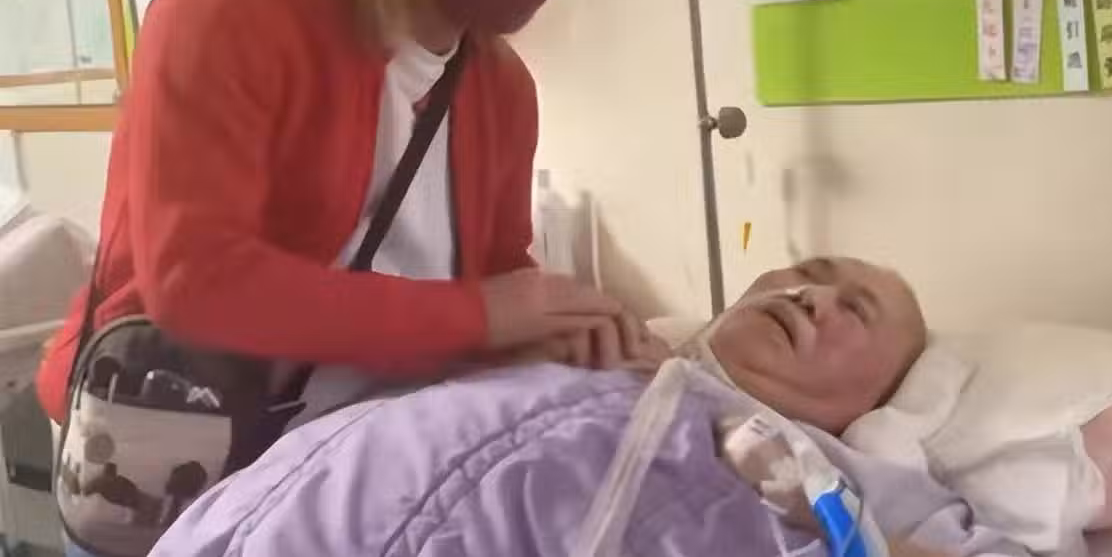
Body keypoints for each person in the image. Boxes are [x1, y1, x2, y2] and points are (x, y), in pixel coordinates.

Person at [40, 0, 670, 555]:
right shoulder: (229, 13)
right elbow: (196, 282)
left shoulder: (501, 89)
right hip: (176, 460)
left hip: (352, 480)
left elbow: (493, 274)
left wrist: (555, 332)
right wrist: (487, 315)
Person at [148, 258, 1032, 557]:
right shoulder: (583, 348)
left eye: (855, 310)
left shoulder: (848, 475)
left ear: (881, 394)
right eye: (808, 271)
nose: (811, 294)